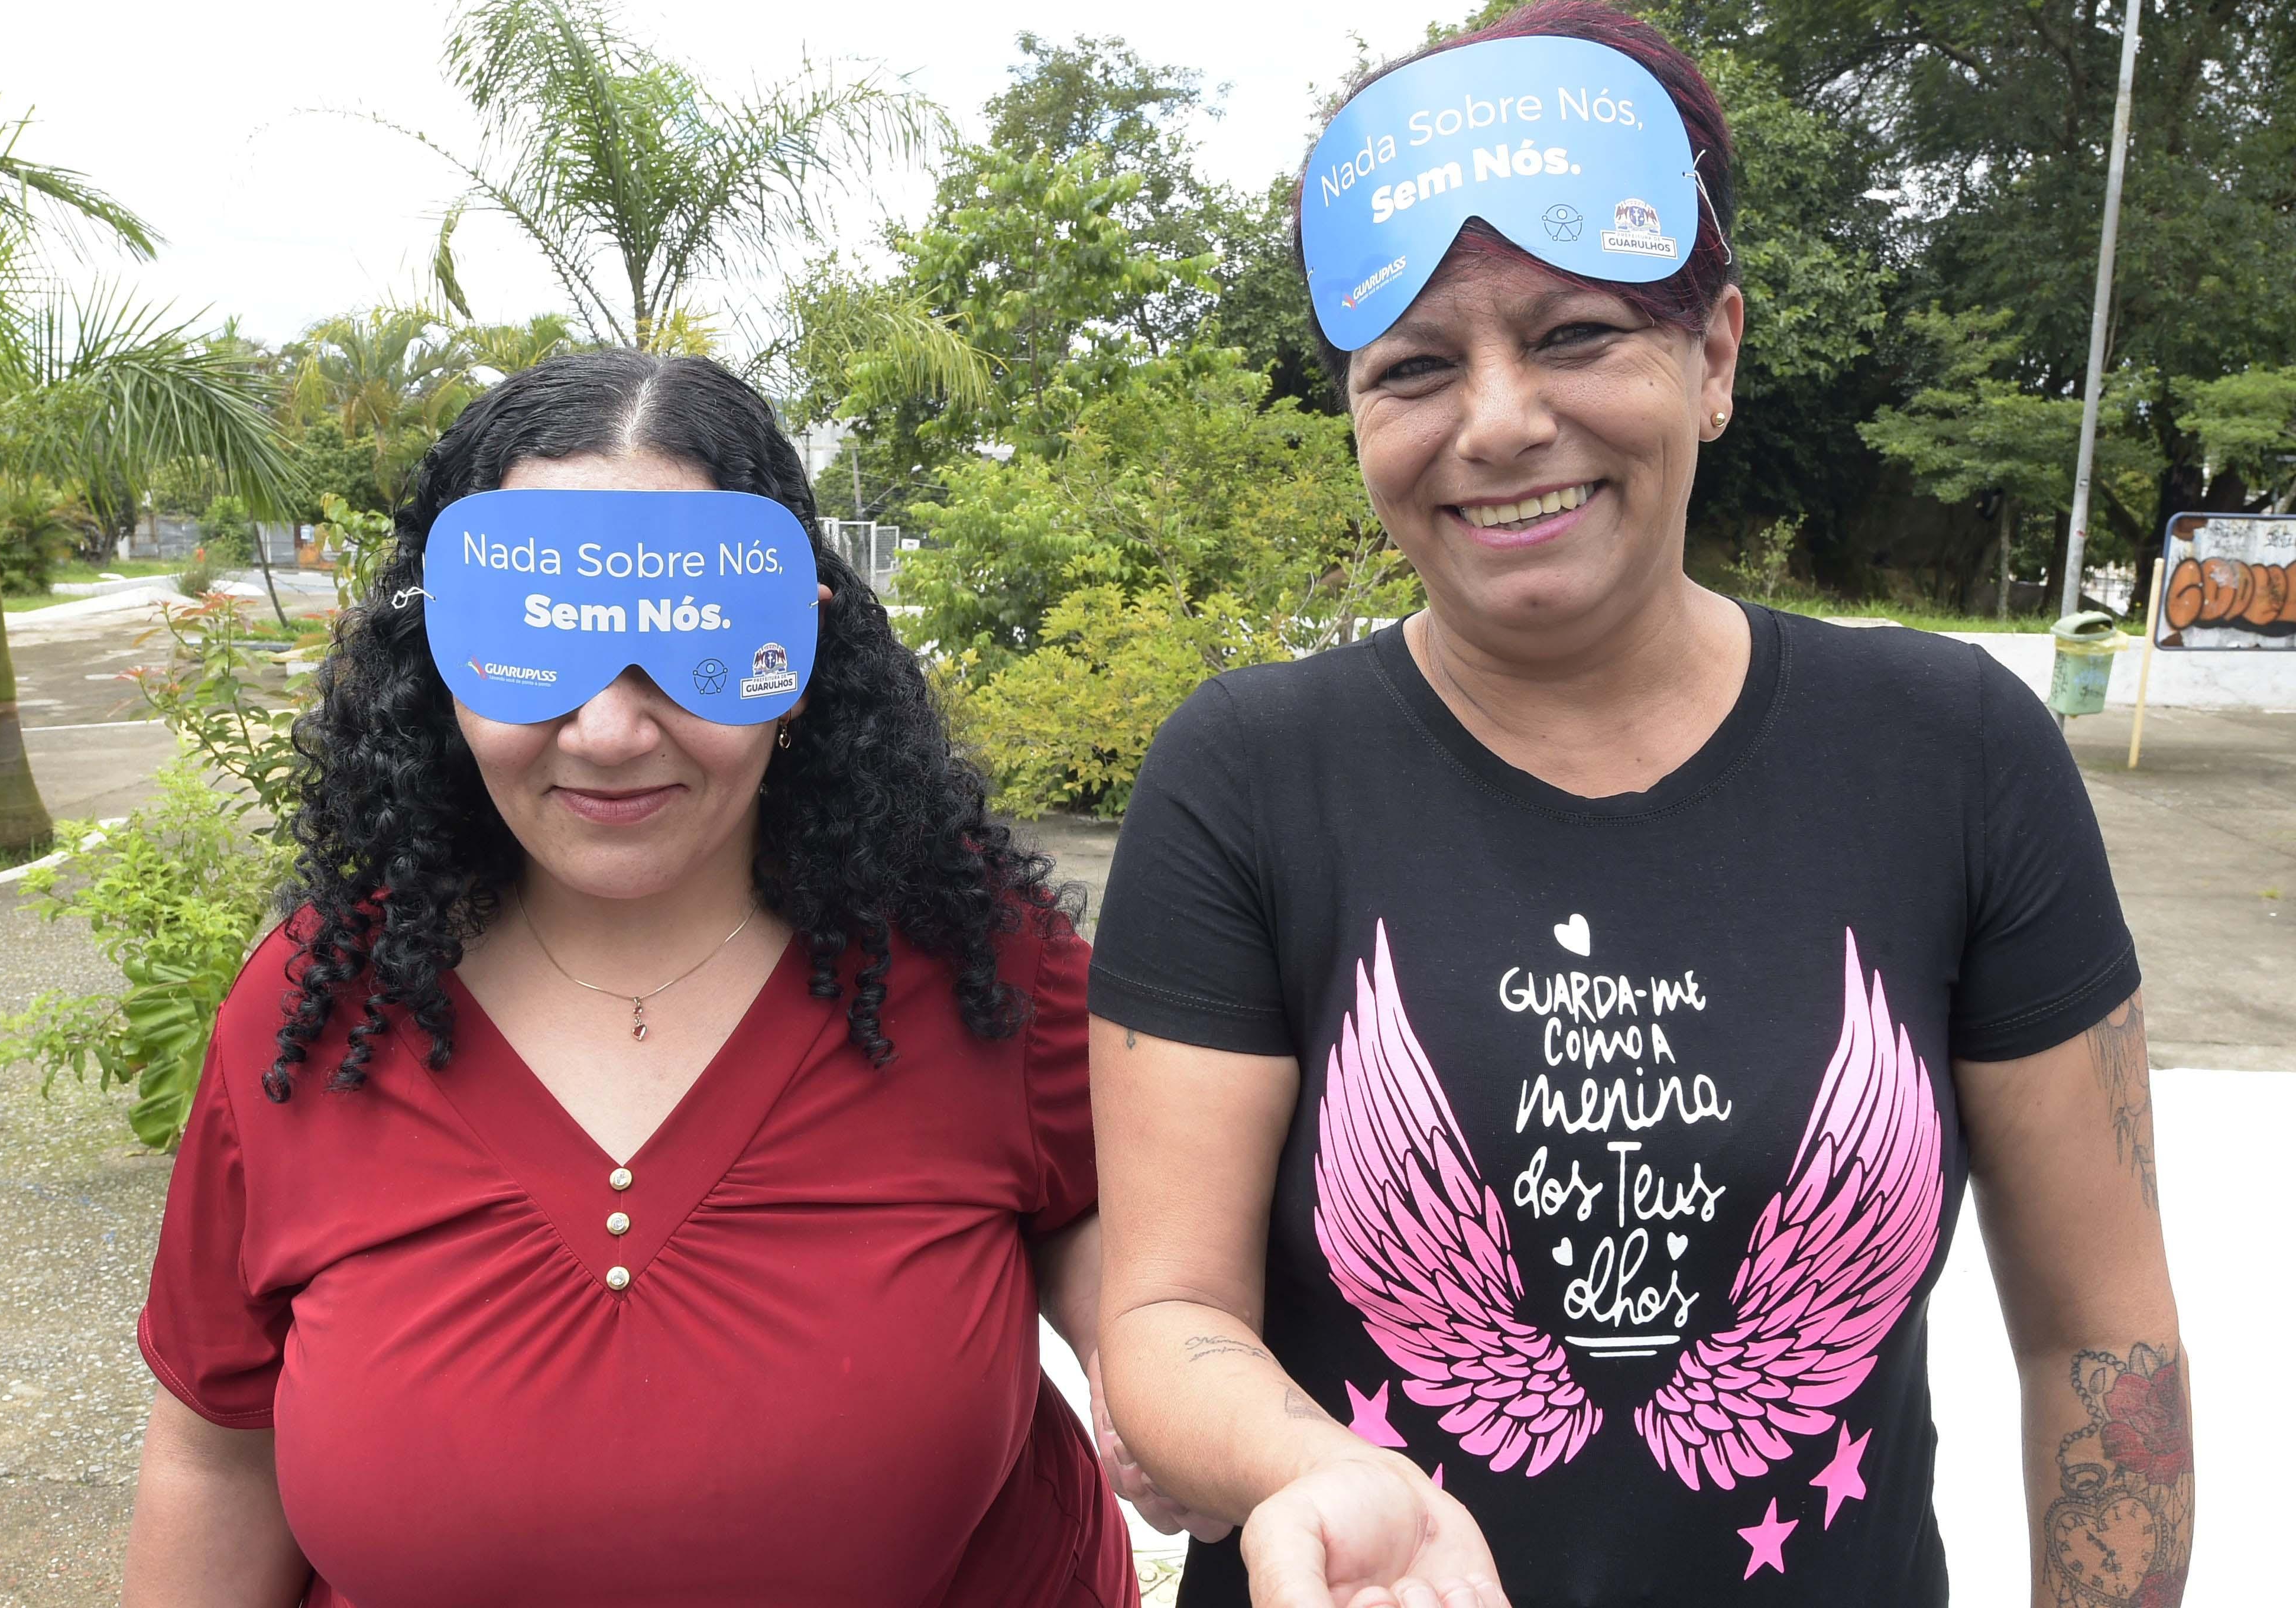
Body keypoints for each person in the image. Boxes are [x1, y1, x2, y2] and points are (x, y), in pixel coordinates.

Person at [1087, 6, 2191, 1607]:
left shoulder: (1955, 753)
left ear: (1715, 355)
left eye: (1575, 333)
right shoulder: (1245, 775)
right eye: (1415, 367)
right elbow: (1165, 1315)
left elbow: (2104, 1339)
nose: (1496, 422)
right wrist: (1316, 1468)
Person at [122, 352, 1136, 1607]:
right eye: (539, 644)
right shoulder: (316, 1009)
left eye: (684, 646)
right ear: (439, 656)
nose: (608, 733)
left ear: (799, 643)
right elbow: (217, 1452)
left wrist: (1146, 1348)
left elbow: (1120, 1220)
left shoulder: (981, 964)